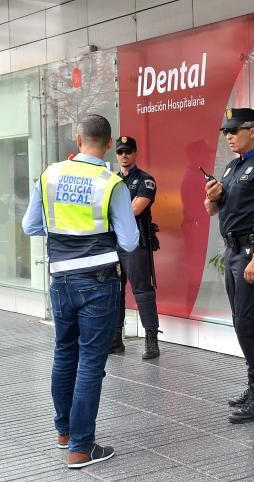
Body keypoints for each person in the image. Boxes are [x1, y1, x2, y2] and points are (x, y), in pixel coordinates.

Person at [22, 114, 139, 469]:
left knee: (64, 354)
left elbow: (30, 226)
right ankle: (81, 447)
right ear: (108, 143)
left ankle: (64, 433)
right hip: (98, 283)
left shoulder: (50, 175)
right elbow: (130, 242)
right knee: (90, 362)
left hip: (61, 281)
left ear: (77, 139)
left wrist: (65, 236)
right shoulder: (111, 183)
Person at [204, 107, 254, 424]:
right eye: (227, 131)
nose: (229, 136)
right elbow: (213, 210)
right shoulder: (230, 168)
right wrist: (210, 196)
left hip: (252, 252)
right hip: (233, 252)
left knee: (249, 323)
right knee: (241, 321)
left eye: (235, 130)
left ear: (253, 130)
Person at [108, 136, 162, 359]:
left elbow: (135, 209)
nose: (124, 156)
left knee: (142, 290)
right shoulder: (111, 181)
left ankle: (151, 340)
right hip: (113, 243)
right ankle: (115, 339)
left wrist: (110, 216)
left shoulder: (145, 180)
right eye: (120, 152)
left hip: (135, 244)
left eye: (128, 152)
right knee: (115, 291)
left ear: (135, 153)